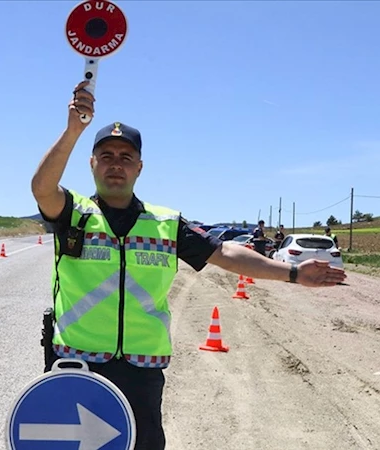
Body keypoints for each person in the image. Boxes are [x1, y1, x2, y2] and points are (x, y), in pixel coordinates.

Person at [30, 80, 347, 450]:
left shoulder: (166, 224)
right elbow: (42, 188)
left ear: (139, 168)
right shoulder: (74, 214)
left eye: (126, 157)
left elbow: (225, 252)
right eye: (107, 156)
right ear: (92, 164)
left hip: (140, 372)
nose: (116, 164)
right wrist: (73, 131)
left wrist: (292, 273)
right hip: (76, 369)